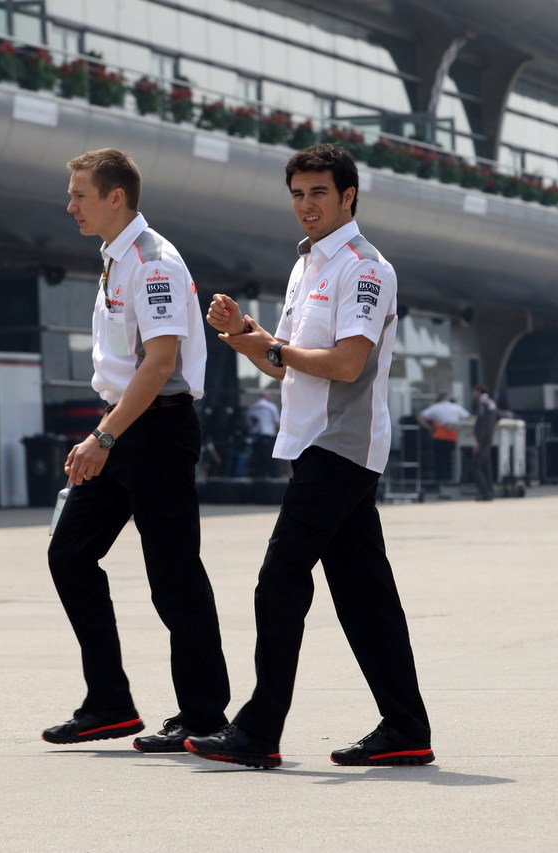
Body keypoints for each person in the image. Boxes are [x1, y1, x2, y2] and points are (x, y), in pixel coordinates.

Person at [188, 143, 433, 769]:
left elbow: (348, 364)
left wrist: (273, 346)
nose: (306, 205)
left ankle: (258, 732)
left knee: (278, 583)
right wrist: (248, 337)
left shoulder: (364, 268)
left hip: (341, 447)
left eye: (318, 192)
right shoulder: (306, 268)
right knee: (364, 595)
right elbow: (288, 366)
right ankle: (406, 727)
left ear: (348, 196)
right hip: (311, 445)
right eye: (297, 194)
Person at [42, 148, 231, 754]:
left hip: (155, 428)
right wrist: (108, 430)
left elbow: (160, 363)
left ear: (115, 197)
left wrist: (104, 436)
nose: (70, 204)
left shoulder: (152, 264)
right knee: (70, 555)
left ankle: (202, 715)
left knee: (173, 577)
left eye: (80, 194)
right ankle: (109, 704)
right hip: (125, 425)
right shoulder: (116, 259)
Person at [416, 392, 470, 484]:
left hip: (439, 436)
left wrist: (429, 427)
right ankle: (452, 478)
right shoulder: (456, 407)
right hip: (453, 437)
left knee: (439, 460)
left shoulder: (435, 407)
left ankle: (440, 479)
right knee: (452, 459)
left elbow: (420, 416)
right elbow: (469, 417)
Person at [472, 385, 499, 502]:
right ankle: (490, 491)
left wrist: (478, 440)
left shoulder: (483, 404)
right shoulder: (491, 403)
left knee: (476, 466)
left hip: (483, 439)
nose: (473, 394)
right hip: (489, 437)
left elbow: (482, 423)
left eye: (474, 392)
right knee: (487, 467)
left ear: (479, 392)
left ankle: (485, 492)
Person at [246, 391, 280, 478]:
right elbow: (277, 423)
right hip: (268, 436)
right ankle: (274, 477)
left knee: (258, 459)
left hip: (256, 437)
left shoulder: (253, 407)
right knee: (271, 459)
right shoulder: (271, 407)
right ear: (267, 396)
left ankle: (259, 476)